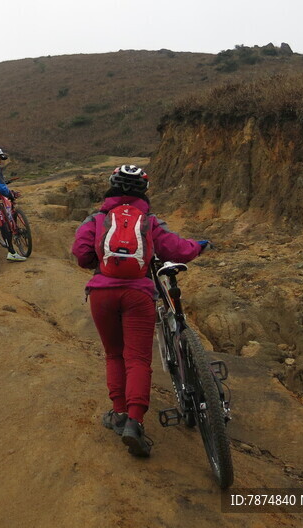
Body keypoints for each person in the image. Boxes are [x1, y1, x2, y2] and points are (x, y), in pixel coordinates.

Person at [71, 165, 210, 458]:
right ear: (143, 191)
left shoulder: (97, 218)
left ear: (111, 186)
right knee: (137, 358)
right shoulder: (148, 220)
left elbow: (82, 255)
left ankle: (118, 414)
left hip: (102, 295)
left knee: (114, 354)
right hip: (138, 293)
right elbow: (179, 250)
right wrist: (198, 246)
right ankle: (135, 422)